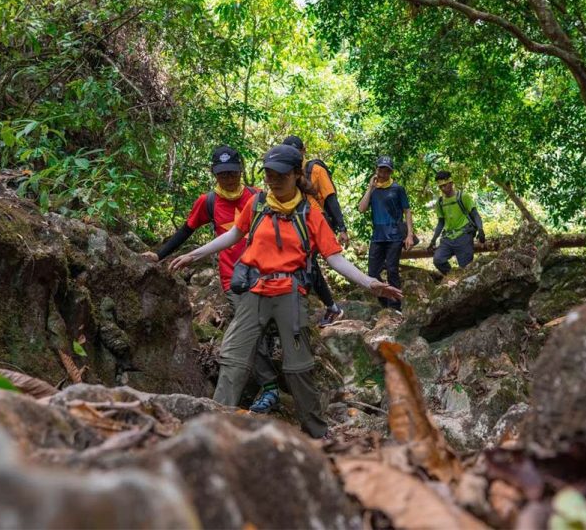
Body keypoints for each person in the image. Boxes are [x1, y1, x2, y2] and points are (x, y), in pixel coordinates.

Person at [168, 144, 402, 438]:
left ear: (295, 174)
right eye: (267, 173)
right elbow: (233, 235)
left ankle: (317, 433)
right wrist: (194, 255)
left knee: (298, 367)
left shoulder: (310, 213)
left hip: (290, 292)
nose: (272, 179)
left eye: (279, 174)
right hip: (255, 289)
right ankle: (212, 430)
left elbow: (334, 258)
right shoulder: (258, 204)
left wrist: (370, 283)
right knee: (233, 358)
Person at [141, 145, 281, 414]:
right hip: (234, 281)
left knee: (260, 328)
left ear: (241, 170)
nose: (228, 178)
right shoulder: (209, 202)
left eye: (232, 173)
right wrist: (159, 255)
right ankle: (268, 388)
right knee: (250, 328)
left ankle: (259, 391)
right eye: (222, 174)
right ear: (213, 173)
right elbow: (186, 230)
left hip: (265, 277)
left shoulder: (258, 197)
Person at [282, 135, 346, 326]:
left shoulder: (315, 170)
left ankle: (300, 311)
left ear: (303, 151)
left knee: (306, 263)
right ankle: (330, 307)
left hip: (317, 222)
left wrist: (342, 227)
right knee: (308, 264)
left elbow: (330, 198)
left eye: (296, 152)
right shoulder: (284, 171)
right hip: (297, 224)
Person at [357, 155, 413, 311]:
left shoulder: (398, 189)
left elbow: (407, 211)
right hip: (377, 236)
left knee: (392, 269)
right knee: (372, 272)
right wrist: (370, 188)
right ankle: (385, 301)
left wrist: (409, 234)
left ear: (390, 172)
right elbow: (361, 209)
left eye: (387, 170)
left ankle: (395, 307)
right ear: (377, 170)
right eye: (381, 169)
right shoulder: (373, 190)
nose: (383, 173)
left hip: (394, 235)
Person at [428, 170, 486, 274]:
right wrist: (433, 240)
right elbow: (441, 222)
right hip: (448, 238)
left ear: (451, 183)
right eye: (440, 186)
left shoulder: (463, 197)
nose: (442, 188)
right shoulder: (440, 202)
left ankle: (461, 282)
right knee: (438, 259)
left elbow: (475, 214)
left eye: (444, 185)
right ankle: (452, 276)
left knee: (466, 269)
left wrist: (481, 230)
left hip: (464, 236)